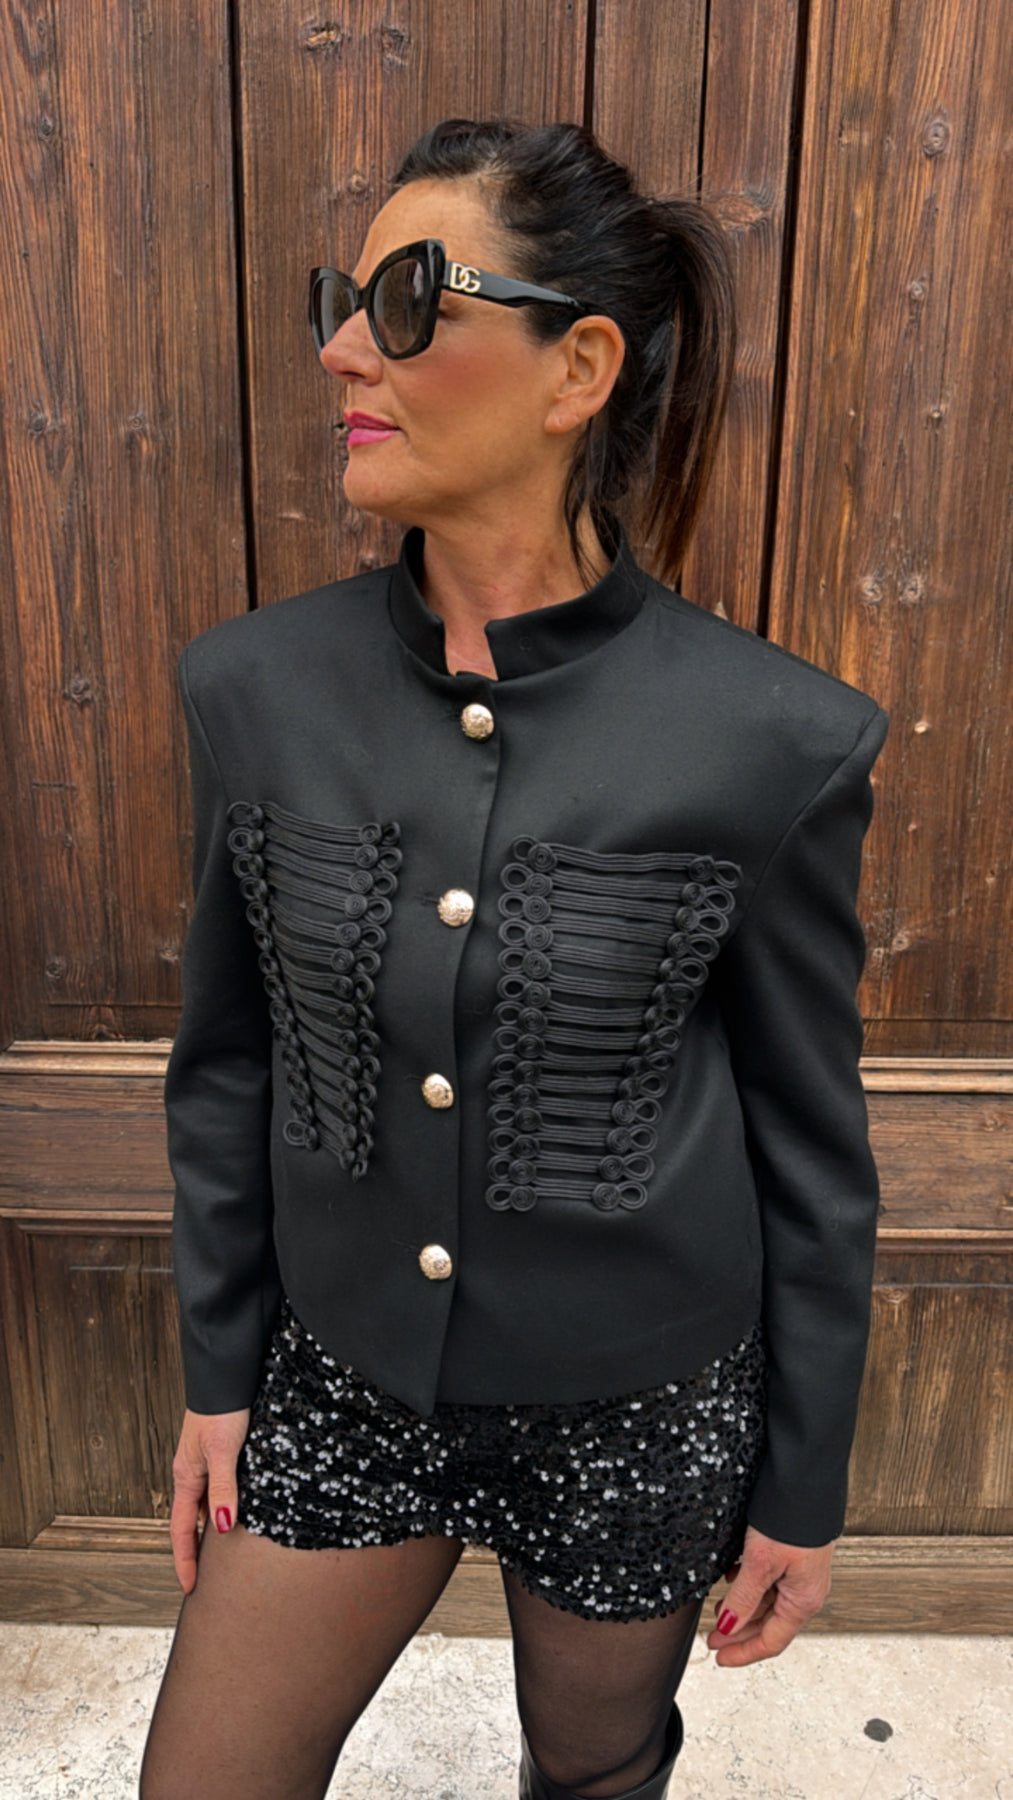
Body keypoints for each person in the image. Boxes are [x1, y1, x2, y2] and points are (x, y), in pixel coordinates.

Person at [140, 118, 888, 1800]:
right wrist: (218, 1373)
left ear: (578, 369)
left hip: (641, 1400)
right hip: (340, 1374)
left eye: (409, 299)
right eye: (343, 299)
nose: (343, 348)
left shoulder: (774, 737)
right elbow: (227, 1061)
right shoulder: (253, 691)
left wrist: (802, 1484)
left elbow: (808, 1142)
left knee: (595, 1771)